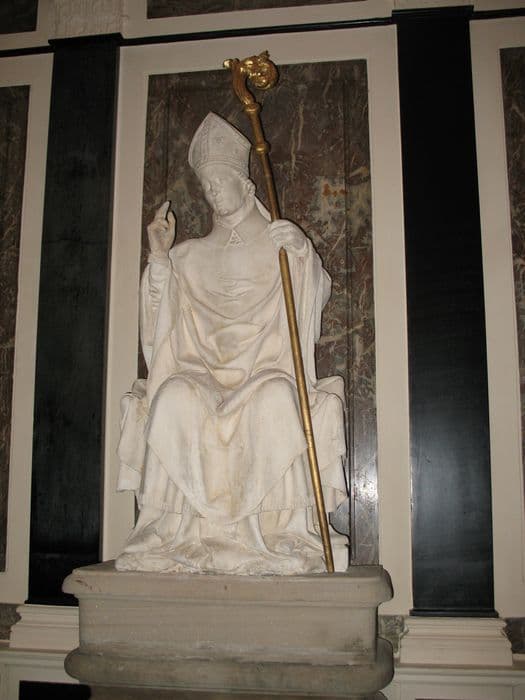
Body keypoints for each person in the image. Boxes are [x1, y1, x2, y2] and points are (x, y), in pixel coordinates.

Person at [116, 112, 348, 575]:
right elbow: (158, 329)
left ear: (247, 186)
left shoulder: (279, 246)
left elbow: (313, 298)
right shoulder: (188, 256)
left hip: (263, 372)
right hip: (200, 373)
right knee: (172, 397)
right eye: (207, 186)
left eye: (221, 181)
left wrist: (301, 252)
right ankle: (172, 531)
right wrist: (159, 259)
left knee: (276, 397)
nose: (214, 191)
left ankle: (278, 532)